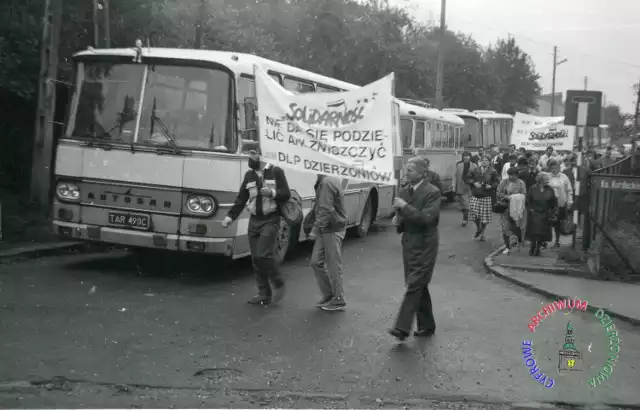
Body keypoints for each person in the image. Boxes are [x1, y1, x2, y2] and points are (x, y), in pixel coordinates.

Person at [222, 149, 291, 305]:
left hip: (271, 219)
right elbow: (242, 198)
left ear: (261, 154)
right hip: (254, 220)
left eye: (252, 153)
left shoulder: (276, 171)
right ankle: (263, 293)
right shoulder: (249, 175)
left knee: (263, 254)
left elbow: (286, 193)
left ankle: (278, 282)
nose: (249, 157)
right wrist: (230, 217)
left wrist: (272, 193)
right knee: (255, 258)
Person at [389, 158, 440, 341]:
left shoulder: (433, 192)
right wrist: (398, 220)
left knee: (414, 283)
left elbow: (426, 218)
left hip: (425, 244)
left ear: (422, 173)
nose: (406, 173)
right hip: (409, 244)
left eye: (410, 170)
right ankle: (427, 325)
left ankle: (402, 327)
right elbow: (404, 217)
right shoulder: (403, 191)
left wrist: (405, 207)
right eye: (406, 170)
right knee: (418, 284)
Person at [307, 174, 348, 311]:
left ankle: (338, 299)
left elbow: (325, 209)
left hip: (332, 228)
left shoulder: (326, 182)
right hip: (327, 228)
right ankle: (330, 295)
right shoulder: (328, 180)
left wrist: (314, 229)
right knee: (316, 262)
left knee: (333, 265)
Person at [467, 155, 499, 241]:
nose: (484, 162)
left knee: (484, 217)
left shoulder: (493, 171)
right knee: (474, 214)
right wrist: (474, 183)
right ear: (480, 161)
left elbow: (497, 182)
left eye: (486, 160)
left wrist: (491, 186)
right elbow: (468, 178)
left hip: (486, 196)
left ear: (489, 162)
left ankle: (482, 233)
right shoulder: (475, 170)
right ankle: (478, 228)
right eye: (483, 160)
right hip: (475, 195)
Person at [525, 173, 558, 256]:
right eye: (546, 180)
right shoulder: (533, 188)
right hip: (534, 213)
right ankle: (533, 246)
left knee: (542, 233)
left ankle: (538, 248)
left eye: (548, 179)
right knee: (534, 232)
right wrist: (530, 210)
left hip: (545, 214)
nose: (548, 181)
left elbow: (554, 202)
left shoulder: (550, 189)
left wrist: (554, 212)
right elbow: (528, 201)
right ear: (540, 180)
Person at [497, 167, 527, 255]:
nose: (511, 177)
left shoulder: (521, 183)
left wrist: (514, 197)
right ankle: (507, 246)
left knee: (516, 227)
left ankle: (518, 242)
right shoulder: (504, 182)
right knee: (504, 228)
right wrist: (505, 197)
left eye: (513, 175)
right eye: (509, 175)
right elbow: (498, 193)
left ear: (517, 175)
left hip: (517, 209)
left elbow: (524, 194)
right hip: (505, 208)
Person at [546, 159, 573, 247]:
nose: (554, 169)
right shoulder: (546, 177)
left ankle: (557, 241)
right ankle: (546, 241)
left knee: (558, 224)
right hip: (549, 205)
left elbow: (569, 190)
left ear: (559, 168)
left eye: (555, 167)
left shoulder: (564, 177)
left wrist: (569, 202)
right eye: (552, 168)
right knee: (548, 223)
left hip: (560, 204)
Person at [453, 151, 477, 226]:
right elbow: (455, 176)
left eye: (467, 156)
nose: (466, 158)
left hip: (469, 188)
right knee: (461, 205)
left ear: (470, 157)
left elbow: (477, 176)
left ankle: (465, 219)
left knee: (466, 204)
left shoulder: (474, 165)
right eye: (464, 157)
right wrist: (453, 186)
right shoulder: (459, 165)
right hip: (459, 187)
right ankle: (466, 215)